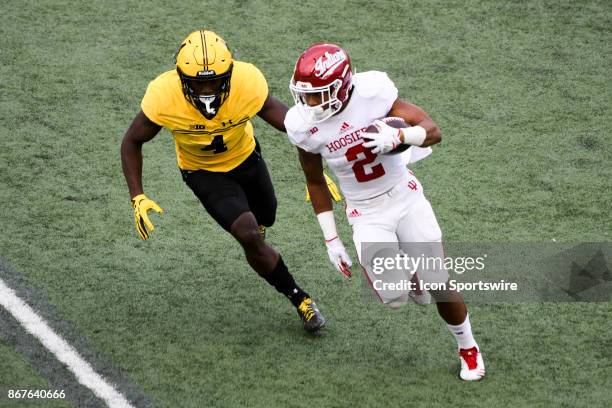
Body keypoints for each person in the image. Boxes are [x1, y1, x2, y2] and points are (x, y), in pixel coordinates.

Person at [284, 43, 485, 380]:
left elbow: (433, 131)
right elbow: (314, 181)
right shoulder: (302, 125)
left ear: (344, 85)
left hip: (404, 196)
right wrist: (332, 240)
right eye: (306, 95)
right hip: (365, 212)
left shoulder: (372, 94)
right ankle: (410, 275)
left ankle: (468, 347)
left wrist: (400, 137)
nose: (310, 103)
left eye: (319, 94)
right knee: (394, 299)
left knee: (439, 282)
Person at [120, 30, 325, 333]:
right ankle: (300, 299)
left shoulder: (246, 81)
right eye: (198, 81)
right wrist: (137, 195)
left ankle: (259, 240)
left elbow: (294, 126)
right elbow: (131, 141)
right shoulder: (164, 94)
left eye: (214, 79)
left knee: (266, 216)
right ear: (181, 78)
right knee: (249, 234)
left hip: (247, 159)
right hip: (203, 172)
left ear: (229, 73)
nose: (206, 88)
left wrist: (318, 175)